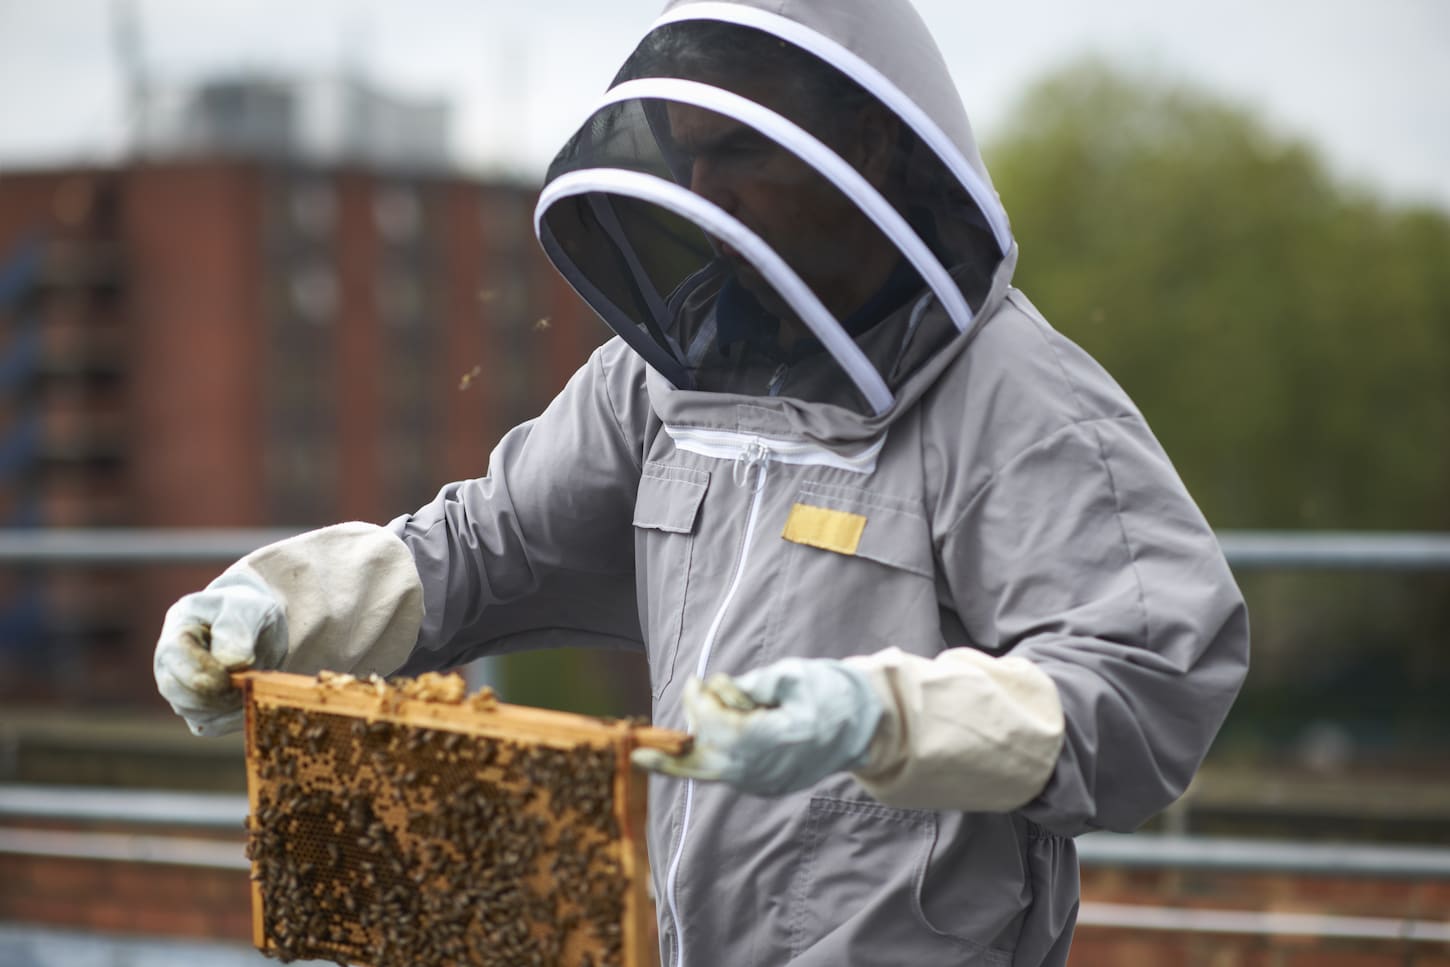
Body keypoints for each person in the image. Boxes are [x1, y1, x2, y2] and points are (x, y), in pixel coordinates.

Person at [154, 1, 1249, 964]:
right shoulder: (664, 373)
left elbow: (1151, 680)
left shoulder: (1020, 401)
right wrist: (288, 607)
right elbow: (493, 549)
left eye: (736, 154)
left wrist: (883, 717)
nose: (704, 192)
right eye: (690, 158)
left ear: (862, 145)